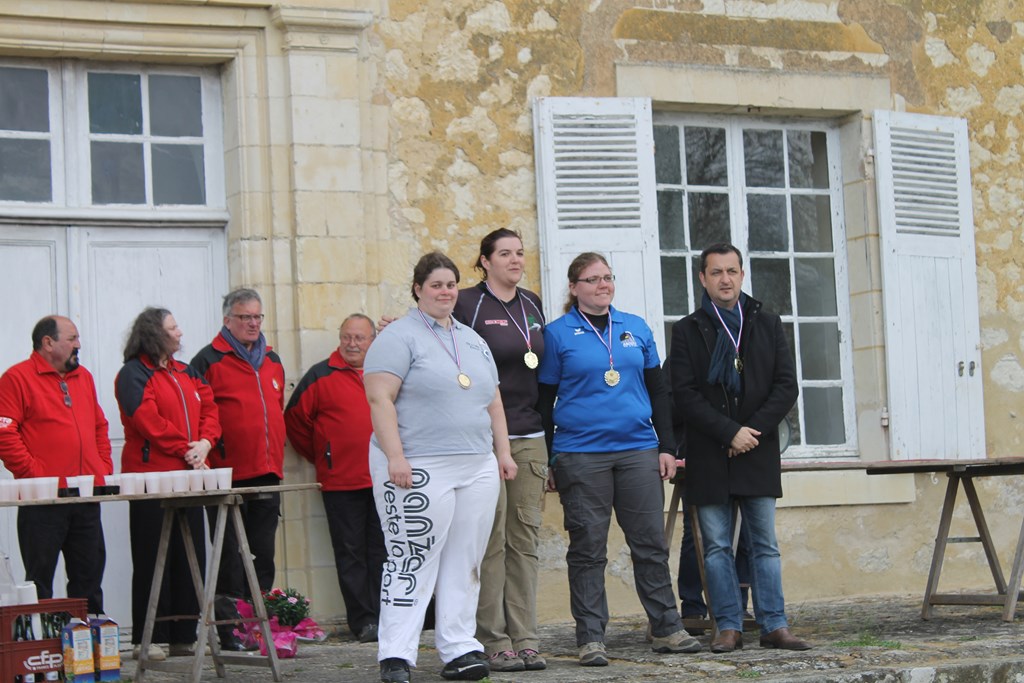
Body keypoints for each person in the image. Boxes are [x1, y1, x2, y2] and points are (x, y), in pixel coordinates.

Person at [536, 252, 701, 667]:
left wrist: (667, 446)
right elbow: (543, 401)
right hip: (580, 454)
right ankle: (591, 637)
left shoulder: (636, 327)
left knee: (650, 544)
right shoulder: (556, 334)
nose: (603, 285)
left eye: (607, 277)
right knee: (588, 549)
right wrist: (550, 458)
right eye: (592, 279)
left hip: (638, 450)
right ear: (574, 287)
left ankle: (666, 628)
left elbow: (659, 391)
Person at [365, 251, 516, 683]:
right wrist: (396, 457)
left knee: (466, 559)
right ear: (418, 289)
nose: (445, 292)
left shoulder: (472, 339)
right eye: (436, 285)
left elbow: (493, 402)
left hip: (476, 464)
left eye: (451, 284)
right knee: (411, 557)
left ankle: (459, 647)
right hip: (419, 464)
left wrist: (503, 453)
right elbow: (379, 399)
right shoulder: (397, 337)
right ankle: (396, 654)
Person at [669, 242, 810, 653]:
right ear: (703, 278)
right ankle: (728, 626)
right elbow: (684, 394)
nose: (725, 279)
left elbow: (786, 386)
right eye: (716, 272)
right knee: (715, 547)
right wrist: (729, 433)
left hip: (758, 451)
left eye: (732, 271)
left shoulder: (767, 322)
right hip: (710, 453)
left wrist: (751, 432)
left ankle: (774, 625)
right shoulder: (687, 330)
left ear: (742, 275)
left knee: (764, 545)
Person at [453, 229, 548, 673]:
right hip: (483, 439)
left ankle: (526, 637)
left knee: (524, 539)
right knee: (490, 541)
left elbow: (542, 371)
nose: (515, 260)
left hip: (529, 435)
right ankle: (493, 639)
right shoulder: (467, 303)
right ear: (485, 261)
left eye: (520, 253)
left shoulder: (532, 303)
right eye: (505, 253)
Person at [115, 307, 221, 660]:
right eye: (173, 328)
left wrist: (205, 442)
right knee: (152, 556)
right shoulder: (133, 374)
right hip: (152, 477)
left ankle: (183, 634)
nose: (179, 333)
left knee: (189, 555)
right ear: (154, 334)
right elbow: (147, 420)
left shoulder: (186, 371)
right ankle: (150, 638)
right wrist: (187, 448)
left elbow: (210, 408)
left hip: (189, 474)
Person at [190, 288, 286, 650]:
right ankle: (229, 630)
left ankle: (258, 627)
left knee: (263, 554)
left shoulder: (272, 359)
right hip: (226, 475)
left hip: (267, 471)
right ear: (227, 319)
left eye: (258, 317)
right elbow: (200, 416)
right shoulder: (207, 360)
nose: (253, 323)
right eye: (245, 317)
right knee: (229, 556)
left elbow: (277, 406)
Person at [0, 315, 112, 615]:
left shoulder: (84, 377)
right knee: (39, 584)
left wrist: (101, 468)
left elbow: (100, 425)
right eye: (72, 338)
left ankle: (89, 641)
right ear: (48, 343)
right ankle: (44, 643)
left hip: (85, 496)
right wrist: (35, 476)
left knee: (89, 580)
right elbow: (4, 434)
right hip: (43, 501)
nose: (79, 345)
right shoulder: (16, 378)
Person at [284, 313, 385, 644]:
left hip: (384, 479)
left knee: (383, 552)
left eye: (359, 338)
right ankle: (364, 621)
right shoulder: (320, 375)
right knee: (350, 554)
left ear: (372, 341)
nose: (352, 344)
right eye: (346, 337)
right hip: (341, 481)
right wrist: (324, 454)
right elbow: (295, 422)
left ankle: (388, 617)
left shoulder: (385, 371)